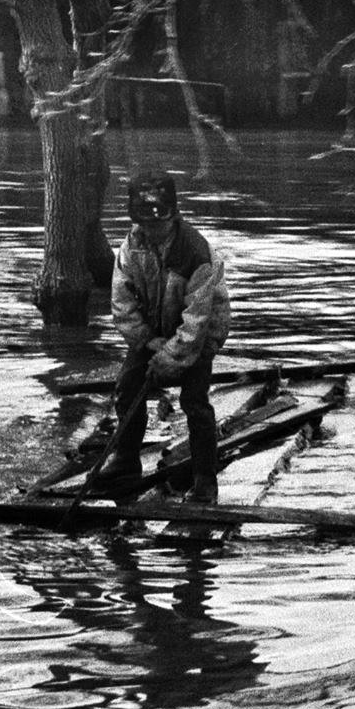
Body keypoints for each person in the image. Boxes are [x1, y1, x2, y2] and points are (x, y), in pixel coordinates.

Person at [101, 168, 231, 502]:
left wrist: (171, 357)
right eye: (146, 224)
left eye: (159, 224)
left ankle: (205, 480)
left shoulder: (197, 253)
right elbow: (122, 302)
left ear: (173, 218)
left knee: (195, 402)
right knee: (127, 388)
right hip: (153, 331)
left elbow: (197, 319)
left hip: (199, 336)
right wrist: (146, 341)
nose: (152, 231)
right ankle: (126, 461)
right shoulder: (131, 246)